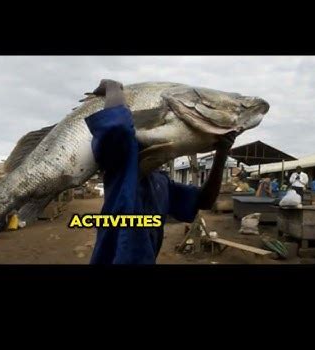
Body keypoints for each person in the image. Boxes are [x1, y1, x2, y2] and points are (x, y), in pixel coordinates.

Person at [84, 79, 237, 265]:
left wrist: (221, 155)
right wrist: (112, 86)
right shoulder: (120, 168)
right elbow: (117, 127)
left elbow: (204, 200)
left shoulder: (162, 182)